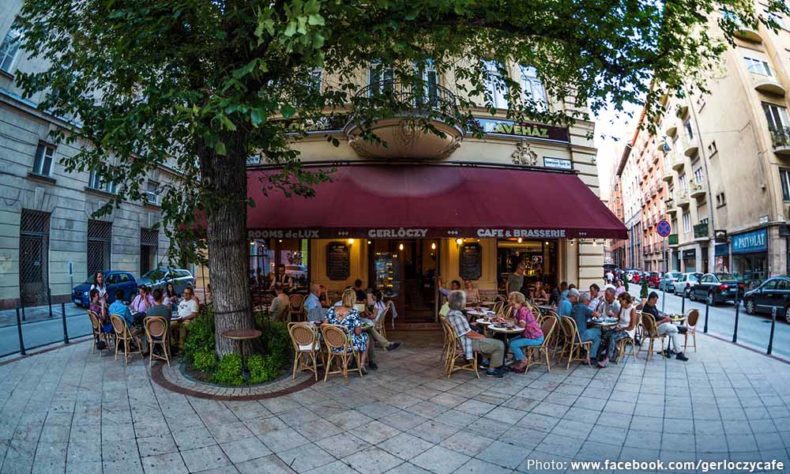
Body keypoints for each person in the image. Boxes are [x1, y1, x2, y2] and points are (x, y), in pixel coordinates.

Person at [445, 290, 506, 377]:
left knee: (489, 337)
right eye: (464, 300)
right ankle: (491, 370)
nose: (465, 302)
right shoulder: (457, 316)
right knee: (499, 344)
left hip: (462, 340)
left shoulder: (452, 313)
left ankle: (486, 362)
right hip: (467, 343)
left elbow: (467, 330)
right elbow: (468, 333)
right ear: (459, 302)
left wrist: (480, 334)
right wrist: (481, 336)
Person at [325, 289, 370, 372]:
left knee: (351, 338)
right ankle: (361, 365)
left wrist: (336, 330)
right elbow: (357, 332)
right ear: (353, 300)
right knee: (365, 337)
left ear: (342, 298)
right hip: (347, 346)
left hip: (332, 345)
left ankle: (343, 363)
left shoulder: (331, 310)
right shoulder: (353, 313)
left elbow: (324, 326)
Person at [641, 292, 689, 361]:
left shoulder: (652, 306)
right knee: (667, 325)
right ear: (651, 299)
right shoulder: (647, 309)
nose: (656, 302)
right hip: (652, 330)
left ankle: (679, 353)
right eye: (655, 300)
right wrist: (664, 321)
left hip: (657, 327)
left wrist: (664, 317)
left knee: (674, 333)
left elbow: (657, 316)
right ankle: (677, 328)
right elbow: (653, 324)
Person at [507, 292, 544, 373]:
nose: (512, 306)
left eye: (513, 304)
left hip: (535, 337)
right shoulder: (518, 309)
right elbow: (517, 322)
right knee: (511, 341)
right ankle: (518, 358)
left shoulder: (523, 310)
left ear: (519, 302)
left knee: (513, 344)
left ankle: (524, 361)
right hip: (529, 335)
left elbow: (522, 325)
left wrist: (515, 322)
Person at [599, 292, 638, 367]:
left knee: (613, 337)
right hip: (620, 327)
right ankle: (599, 355)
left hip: (628, 331)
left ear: (626, 300)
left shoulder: (632, 310)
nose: (620, 303)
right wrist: (613, 320)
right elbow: (619, 319)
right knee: (605, 334)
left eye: (621, 301)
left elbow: (632, 326)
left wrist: (621, 328)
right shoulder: (622, 307)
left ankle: (607, 359)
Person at [567, 289, 602, 364]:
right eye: (589, 301)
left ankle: (587, 354)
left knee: (595, 335)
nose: (589, 303)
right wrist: (599, 314)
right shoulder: (583, 307)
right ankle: (591, 357)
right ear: (585, 300)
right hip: (580, 336)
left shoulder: (575, 307)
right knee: (598, 332)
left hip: (571, 335)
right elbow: (596, 314)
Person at [170, 287, 200, 353]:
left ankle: (181, 347)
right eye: (184, 293)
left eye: (187, 293)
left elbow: (194, 314)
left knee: (182, 325)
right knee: (168, 325)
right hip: (179, 319)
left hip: (188, 321)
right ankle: (173, 344)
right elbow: (178, 313)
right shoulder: (181, 302)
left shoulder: (193, 303)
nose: (185, 294)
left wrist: (184, 318)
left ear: (191, 294)